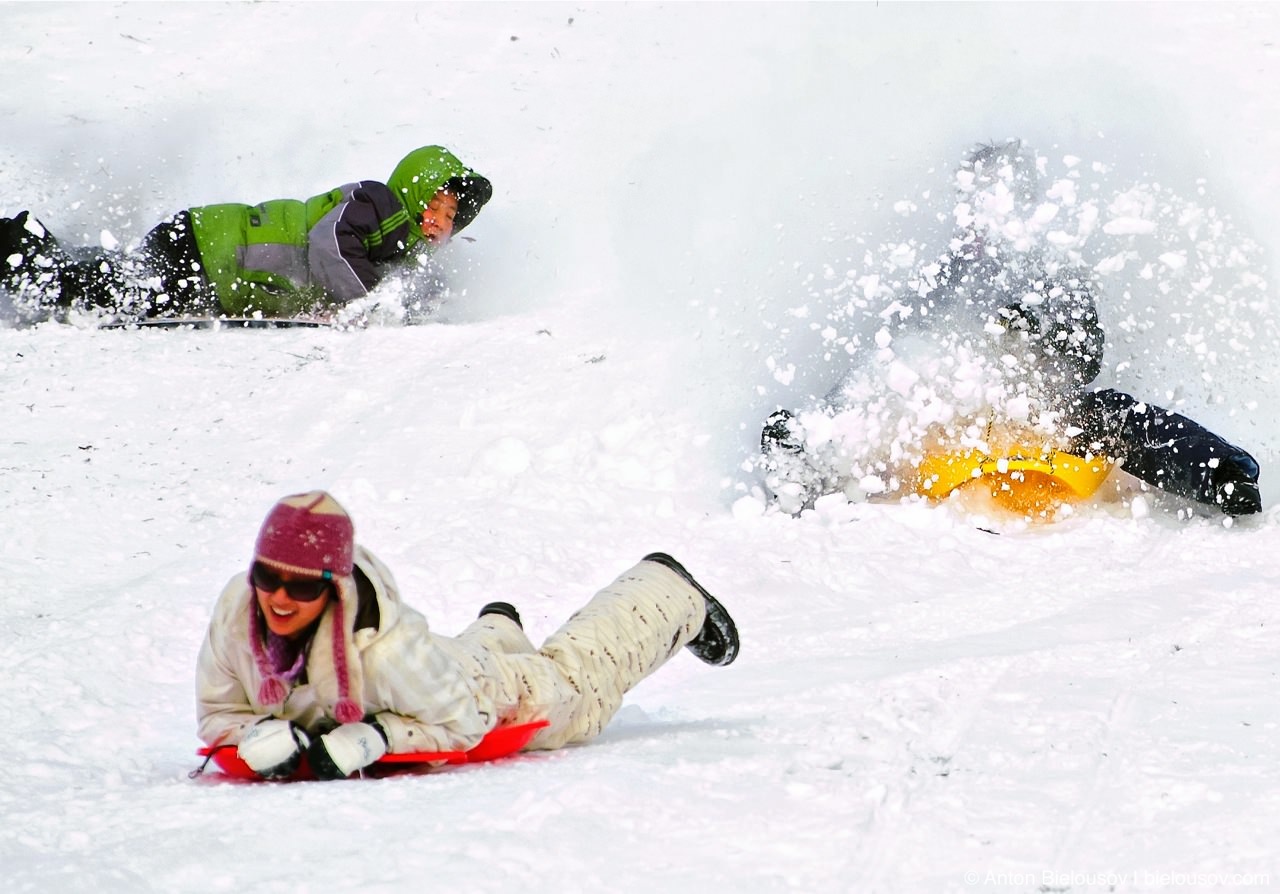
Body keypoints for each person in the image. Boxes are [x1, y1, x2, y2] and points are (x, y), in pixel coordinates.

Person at [760, 139, 1262, 518]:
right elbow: (891, 352)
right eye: (975, 202)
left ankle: (1220, 472)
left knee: (1113, 412)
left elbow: (1086, 356)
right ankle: (809, 455)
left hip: (1041, 412)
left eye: (998, 199)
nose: (984, 218)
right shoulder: (944, 277)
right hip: (951, 418)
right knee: (884, 378)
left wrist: (1039, 331)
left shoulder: (1052, 273)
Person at [196, 491, 740, 780]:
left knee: (579, 687)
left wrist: (382, 738)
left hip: (484, 695)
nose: (279, 599)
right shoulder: (236, 614)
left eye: (301, 585)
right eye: (266, 577)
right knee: (457, 661)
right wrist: (254, 735)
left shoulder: (389, 652)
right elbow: (217, 713)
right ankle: (497, 626)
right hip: (444, 670)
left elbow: (464, 723)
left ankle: (666, 589)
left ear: (334, 587)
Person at [0, 145, 491, 323]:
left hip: (209, 256)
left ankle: (36, 245)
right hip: (210, 252)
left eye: (449, 217)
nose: (437, 222)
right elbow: (329, 244)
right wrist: (365, 308)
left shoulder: (396, 246)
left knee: (113, 274)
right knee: (103, 293)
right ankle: (14, 251)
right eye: (434, 205)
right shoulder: (378, 204)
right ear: (413, 191)